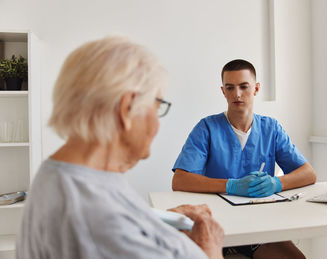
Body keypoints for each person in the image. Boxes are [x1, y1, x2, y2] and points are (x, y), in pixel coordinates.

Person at [16, 36, 224, 259]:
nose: (156, 123)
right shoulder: (95, 221)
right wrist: (210, 246)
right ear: (127, 108)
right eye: (157, 106)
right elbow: (105, 229)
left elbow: (114, 221)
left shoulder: (62, 174)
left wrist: (156, 220)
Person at [172, 59, 316, 259]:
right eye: (230, 87)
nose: (237, 94)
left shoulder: (271, 129)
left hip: (261, 230)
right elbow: (180, 180)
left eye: (243, 86)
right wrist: (231, 185)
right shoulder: (206, 128)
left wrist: (276, 183)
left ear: (256, 89)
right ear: (223, 91)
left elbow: (308, 173)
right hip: (218, 230)